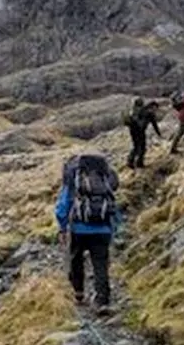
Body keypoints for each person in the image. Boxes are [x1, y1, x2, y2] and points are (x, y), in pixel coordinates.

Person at [55, 153, 120, 314]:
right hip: (103, 229)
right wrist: (114, 228)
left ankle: (79, 293)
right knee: (100, 264)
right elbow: (113, 205)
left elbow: (63, 205)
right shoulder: (104, 180)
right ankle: (102, 300)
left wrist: (62, 227)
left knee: (75, 258)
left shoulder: (74, 181)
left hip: (78, 228)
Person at [123, 98, 162, 169]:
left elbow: (153, 124)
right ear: (153, 107)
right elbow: (154, 124)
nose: (156, 110)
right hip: (139, 131)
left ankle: (131, 161)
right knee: (142, 147)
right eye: (155, 108)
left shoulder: (142, 110)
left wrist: (158, 133)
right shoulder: (148, 113)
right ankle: (138, 163)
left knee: (136, 146)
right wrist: (159, 133)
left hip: (133, 130)